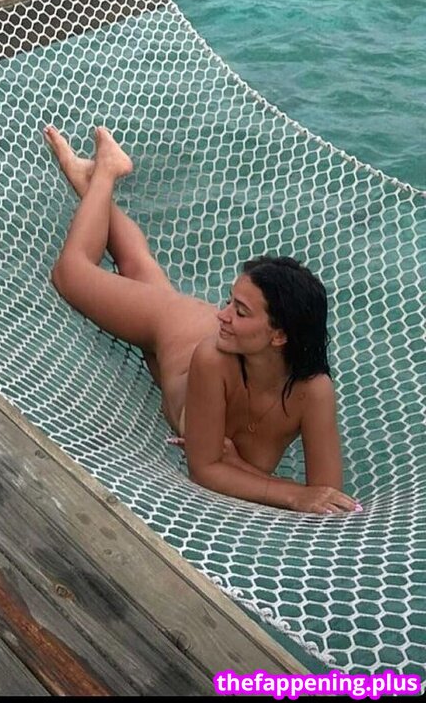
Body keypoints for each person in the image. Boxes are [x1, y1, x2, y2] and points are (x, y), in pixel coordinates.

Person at [46, 125, 362, 516]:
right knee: (71, 273)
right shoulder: (212, 357)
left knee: (137, 268)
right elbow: (205, 469)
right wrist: (292, 494)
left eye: (240, 311)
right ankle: (106, 173)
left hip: (181, 359)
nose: (222, 315)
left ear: (279, 335)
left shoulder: (313, 390)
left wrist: (241, 469)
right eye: (229, 302)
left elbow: (328, 493)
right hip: (177, 329)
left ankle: (94, 184)